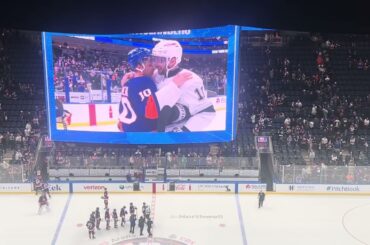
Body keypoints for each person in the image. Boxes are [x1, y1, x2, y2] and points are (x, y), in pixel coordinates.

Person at [118, 47, 192, 132]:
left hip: (129, 131)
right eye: (150, 65)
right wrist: (174, 85)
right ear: (139, 66)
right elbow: (153, 110)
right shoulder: (146, 81)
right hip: (144, 135)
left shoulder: (127, 83)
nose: (154, 67)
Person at [151, 40, 216, 132]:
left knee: (169, 110)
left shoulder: (191, 80)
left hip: (183, 122)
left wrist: (185, 131)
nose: (155, 64)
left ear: (173, 61)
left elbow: (206, 111)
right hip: (165, 122)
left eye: (160, 60)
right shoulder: (156, 75)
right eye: (154, 59)